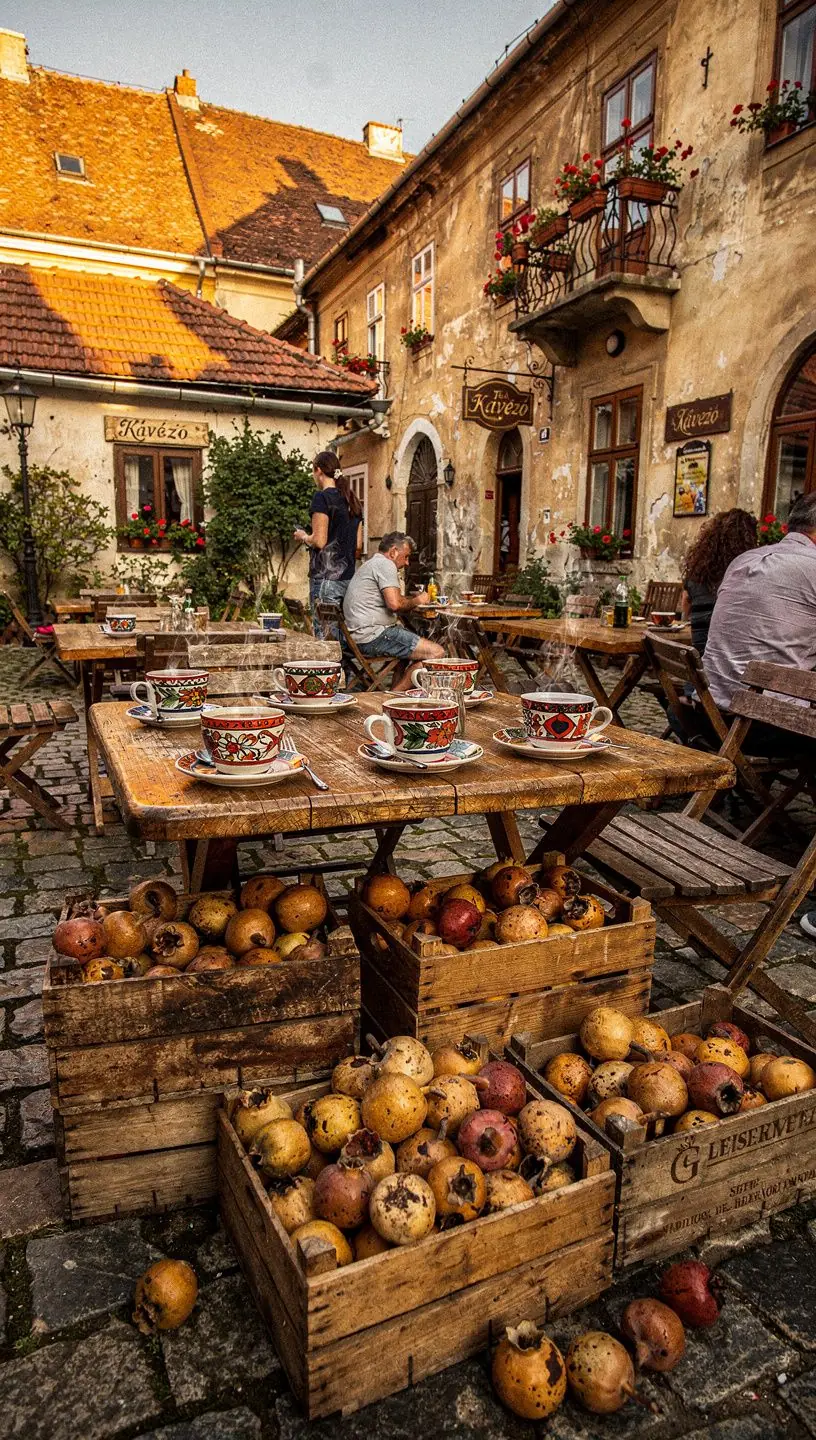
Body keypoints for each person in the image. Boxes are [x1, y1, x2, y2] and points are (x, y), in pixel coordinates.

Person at [342, 532, 445, 689]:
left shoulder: (371, 563)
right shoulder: (385, 565)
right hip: (373, 636)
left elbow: (395, 598)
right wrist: (419, 600)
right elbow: (395, 604)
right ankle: (394, 696)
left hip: (356, 636)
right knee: (437, 653)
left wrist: (409, 600)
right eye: (406, 557)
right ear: (393, 552)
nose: (407, 562)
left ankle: (395, 690)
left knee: (404, 654)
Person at [294, 451, 363, 638]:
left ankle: (331, 668)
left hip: (326, 577)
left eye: (313, 472)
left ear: (318, 471)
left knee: (325, 638)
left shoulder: (322, 498)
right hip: (348, 577)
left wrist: (303, 536)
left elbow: (320, 541)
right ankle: (342, 668)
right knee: (342, 636)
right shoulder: (352, 500)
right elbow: (358, 544)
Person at [680, 508, 758, 655]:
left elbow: (685, 607)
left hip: (700, 655)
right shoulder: (747, 573)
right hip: (727, 659)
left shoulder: (697, 573)